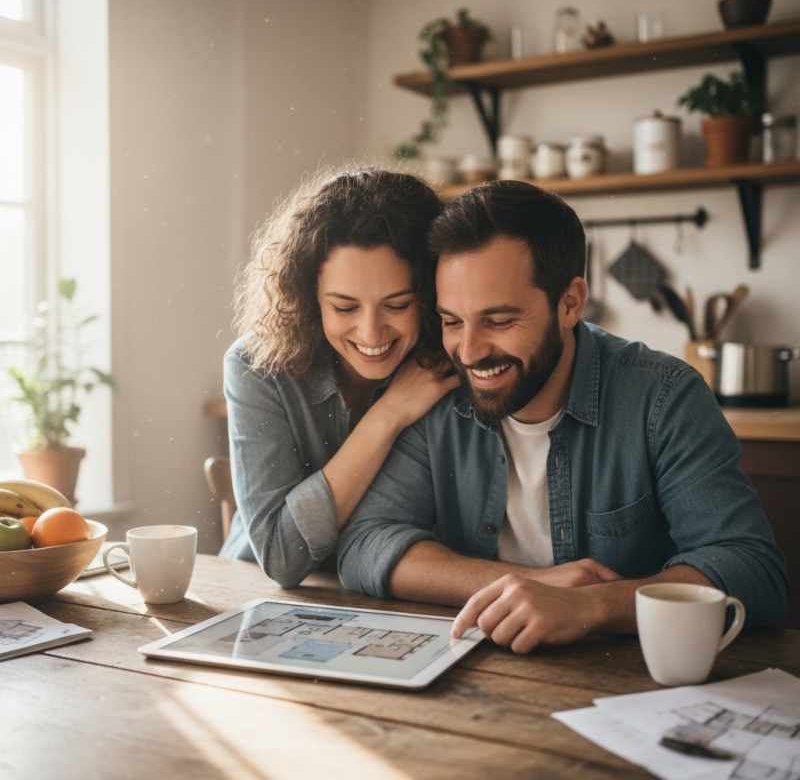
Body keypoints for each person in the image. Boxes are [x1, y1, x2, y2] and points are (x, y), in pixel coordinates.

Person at [338, 180, 789, 652]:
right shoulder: (436, 390)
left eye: (499, 320)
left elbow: (753, 569)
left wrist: (590, 606)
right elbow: (366, 543)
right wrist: (529, 585)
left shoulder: (664, 397)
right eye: (452, 321)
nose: (468, 352)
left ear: (570, 303)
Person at [219, 167, 459, 587]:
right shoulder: (257, 366)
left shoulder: (452, 360)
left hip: (390, 592)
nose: (371, 333)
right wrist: (389, 414)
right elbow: (281, 557)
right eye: (344, 308)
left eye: (397, 305)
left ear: (429, 294)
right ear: (308, 297)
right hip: (255, 589)